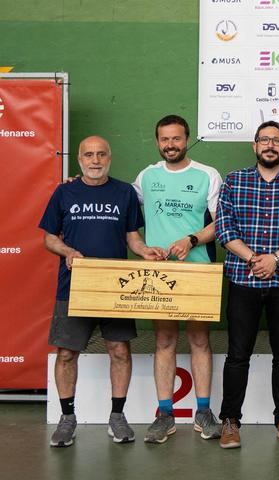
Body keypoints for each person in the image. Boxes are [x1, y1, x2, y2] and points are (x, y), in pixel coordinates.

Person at [40, 136, 166, 447]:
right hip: (74, 286)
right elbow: (48, 238)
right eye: (88, 155)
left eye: (101, 154)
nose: (95, 160)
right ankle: (67, 419)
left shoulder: (123, 192)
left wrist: (145, 251)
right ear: (80, 159)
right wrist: (67, 250)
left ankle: (117, 417)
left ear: (109, 157)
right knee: (67, 353)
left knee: (120, 351)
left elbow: (132, 237)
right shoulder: (64, 191)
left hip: (117, 286)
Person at [215, 121, 279, 449]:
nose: (270, 145)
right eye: (265, 140)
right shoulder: (235, 180)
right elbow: (225, 229)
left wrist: (274, 258)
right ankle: (230, 421)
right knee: (237, 354)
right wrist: (255, 259)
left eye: (277, 140)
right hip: (243, 279)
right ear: (254, 146)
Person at [133, 115, 223, 444]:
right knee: (164, 341)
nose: (171, 144)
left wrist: (192, 240)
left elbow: (220, 223)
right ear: (158, 142)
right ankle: (165, 414)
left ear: (187, 140)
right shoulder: (147, 176)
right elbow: (124, 206)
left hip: (198, 269)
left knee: (199, 341)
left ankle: (203, 412)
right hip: (160, 272)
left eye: (177, 139)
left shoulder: (207, 175)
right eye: (165, 139)